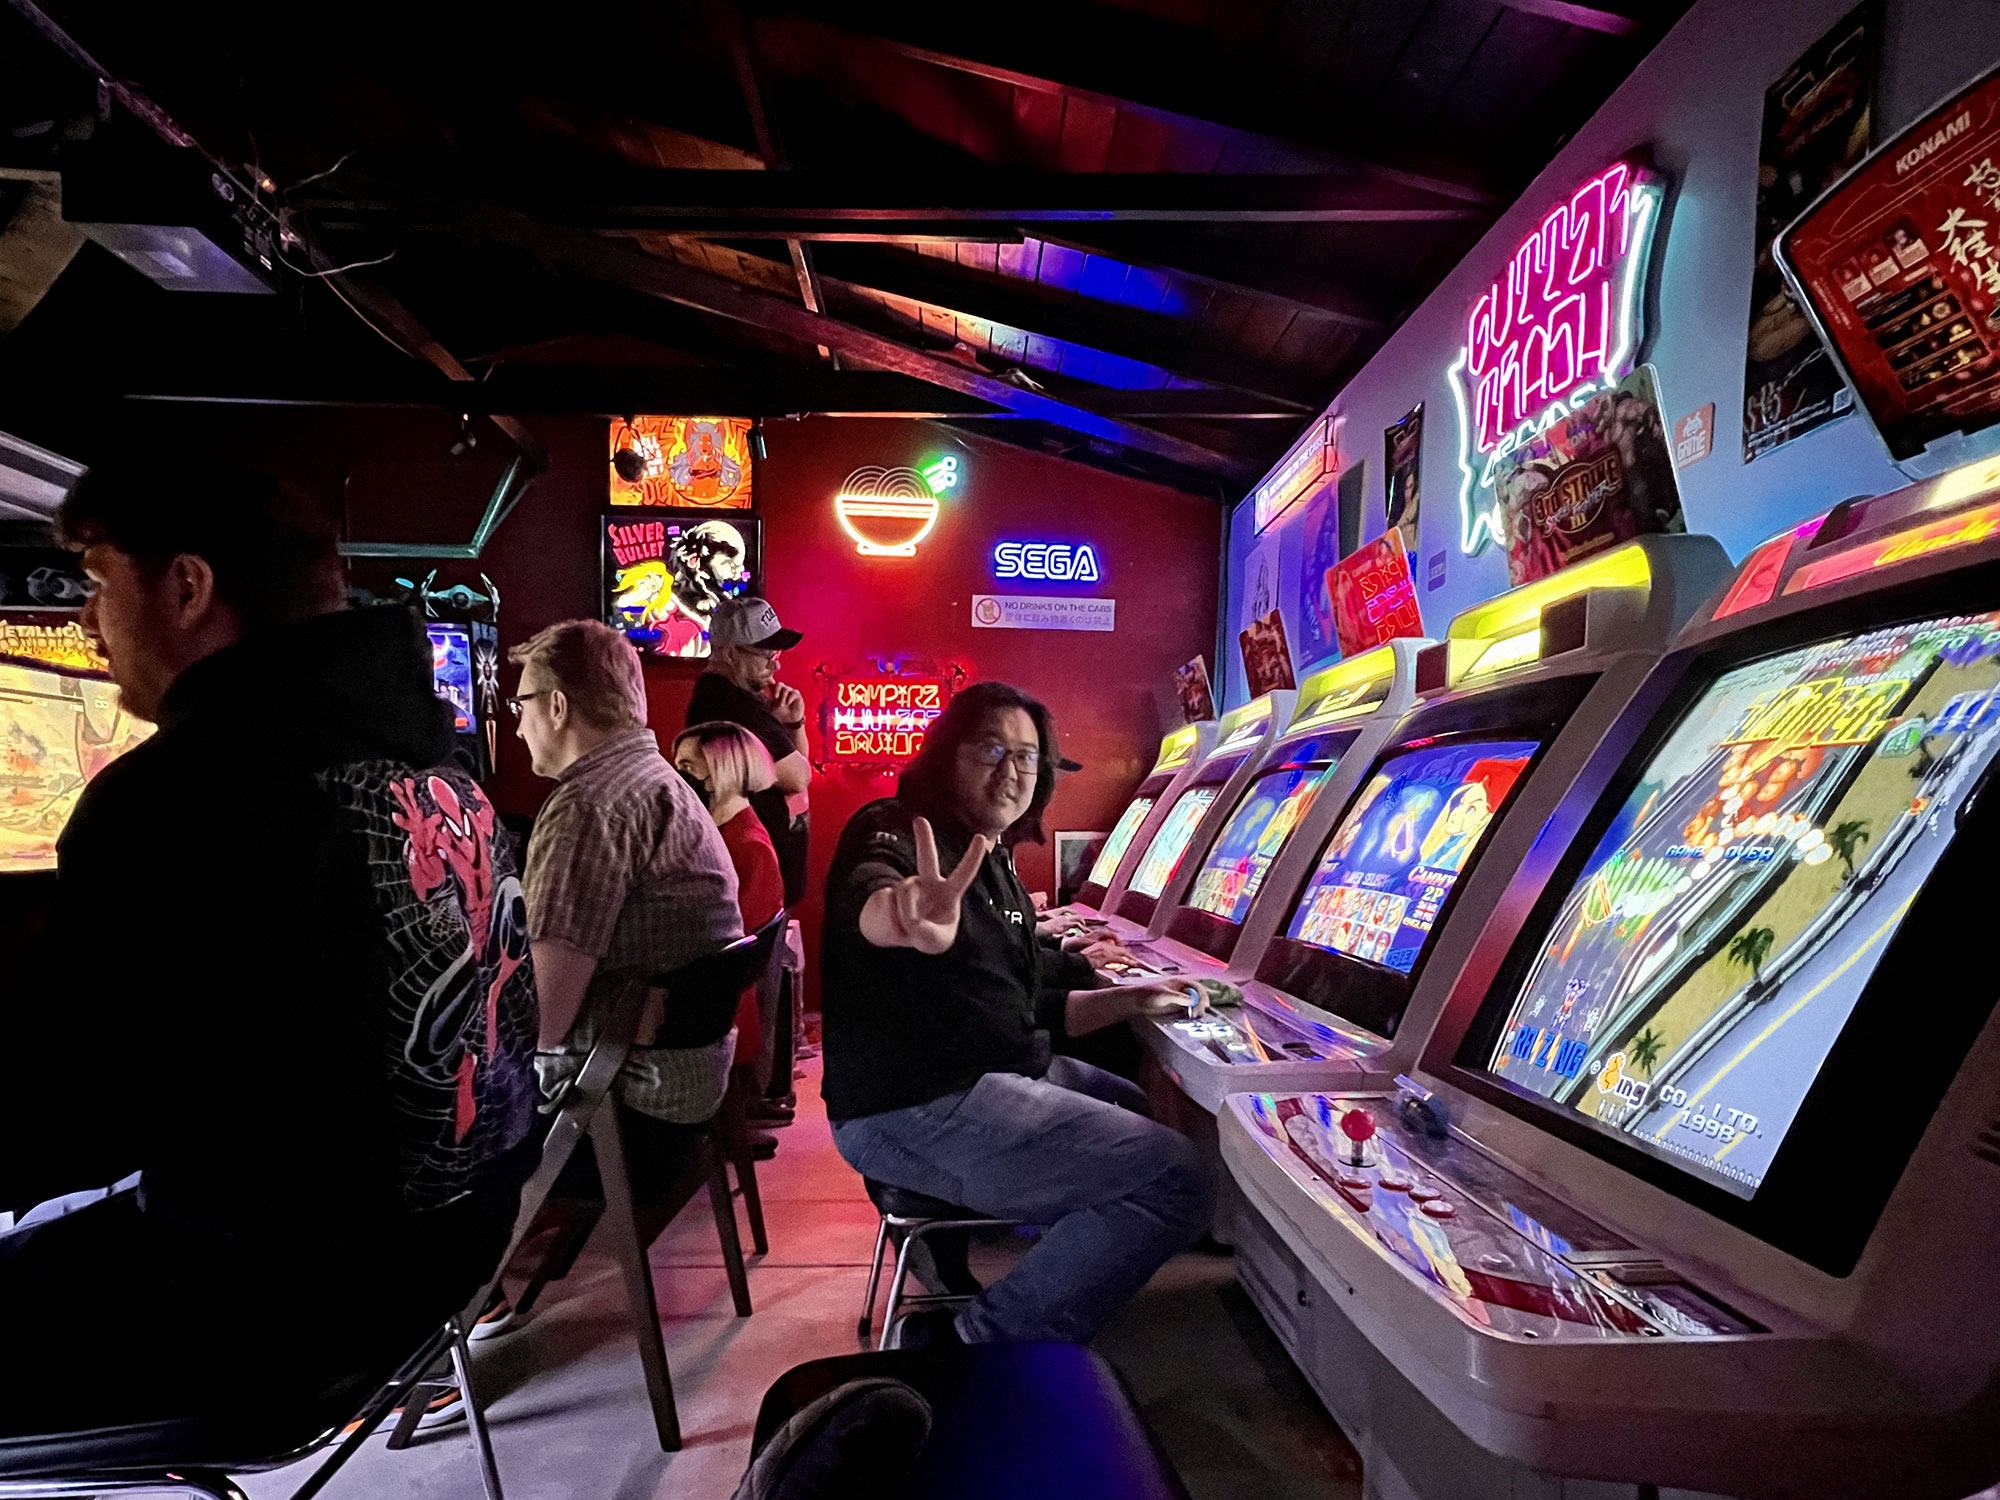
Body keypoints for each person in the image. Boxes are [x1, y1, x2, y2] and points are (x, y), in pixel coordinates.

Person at [0, 450, 539, 1434]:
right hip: (450, 1254)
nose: (83, 619)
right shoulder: (439, 762)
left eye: (96, 580)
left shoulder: (191, 793)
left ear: (187, 585)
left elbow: (55, 1118)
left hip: (286, 1305)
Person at [822, 681, 1213, 1347]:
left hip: (976, 1077)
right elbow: (878, 898)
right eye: (991, 750)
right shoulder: (897, 829)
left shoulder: (993, 856)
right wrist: (907, 915)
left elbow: (1029, 1010)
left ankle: (1061, 1278)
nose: (1011, 771)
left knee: (1132, 1107)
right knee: (1179, 1179)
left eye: (1028, 756)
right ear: (948, 755)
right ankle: (979, 1339)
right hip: (910, 1108)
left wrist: (1131, 997)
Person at [509, 619, 743, 1204]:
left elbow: (543, 1021)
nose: (517, 726)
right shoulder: (658, 779)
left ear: (557, 706)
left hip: (620, 1114)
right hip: (687, 1101)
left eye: (522, 703)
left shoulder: (589, 806)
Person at [674, 720, 787, 1153]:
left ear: (719, 770)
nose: (677, 774)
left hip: (718, 1008)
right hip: (721, 1000)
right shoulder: (724, 833)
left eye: (688, 765)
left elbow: (723, 944)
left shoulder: (745, 843)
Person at [685, 596, 811, 905]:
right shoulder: (731, 704)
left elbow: (797, 767)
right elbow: (798, 776)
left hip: (761, 882)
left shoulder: (736, 699)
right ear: (730, 653)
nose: (775, 662)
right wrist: (786, 726)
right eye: (764, 653)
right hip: (753, 888)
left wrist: (792, 724)